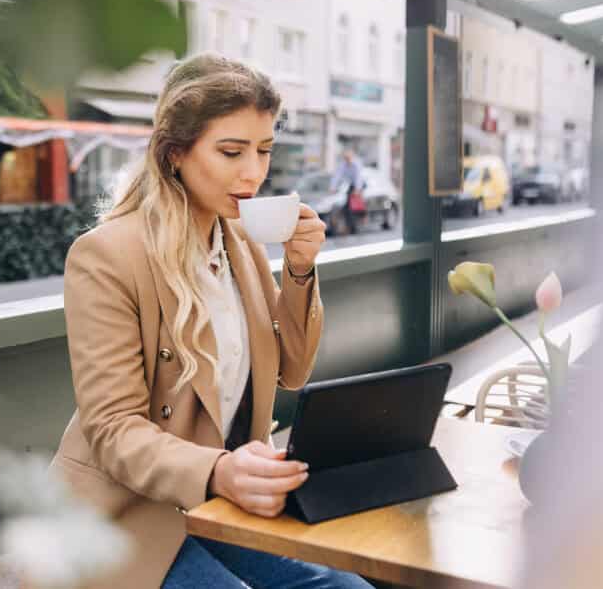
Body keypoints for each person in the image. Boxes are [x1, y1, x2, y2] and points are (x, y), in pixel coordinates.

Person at [49, 53, 371, 589]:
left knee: (347, 586)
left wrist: (299, 269)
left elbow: (292, 370)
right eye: (231, 151)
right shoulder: (106, 256)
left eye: (264, 150)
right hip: (128, 516)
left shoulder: (239, 241)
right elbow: (112, 429)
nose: (254, 172)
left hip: (217, 504)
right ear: (174, 153)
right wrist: (219, 471)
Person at [329, 148, 364, 235]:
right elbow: (337, 176)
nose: (347, 159)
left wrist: (357, 189)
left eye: (348, 157)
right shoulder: (343, 165)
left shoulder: (356, 164)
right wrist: (333, 187)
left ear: (351, 157)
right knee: (347, 207)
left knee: (358, 204)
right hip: (349, 186)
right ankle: (350, 226)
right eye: (345, 157)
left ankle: (363, 217)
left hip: (359, 185)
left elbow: (358, 177)